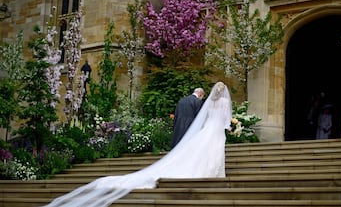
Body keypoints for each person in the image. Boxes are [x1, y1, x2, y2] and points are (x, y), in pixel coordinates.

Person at [42, 81, 232, 207]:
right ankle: (215, 172)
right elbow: (219, 118)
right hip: (213, 130)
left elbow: (202, 116)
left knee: (203, 149)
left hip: (201, 129)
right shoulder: (220, 103)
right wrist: (229, 127)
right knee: (214, 149)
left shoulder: (200, 101)